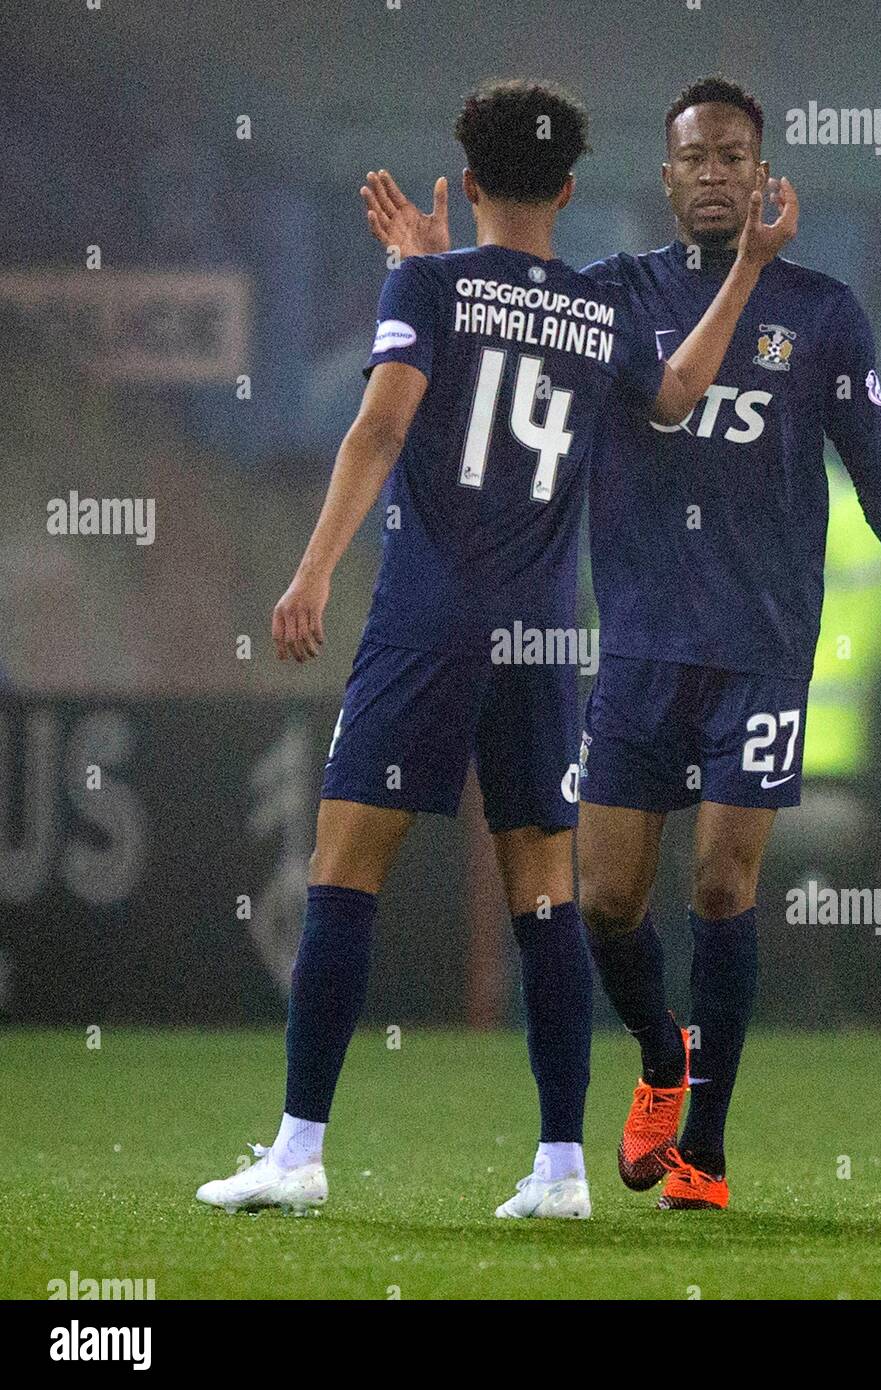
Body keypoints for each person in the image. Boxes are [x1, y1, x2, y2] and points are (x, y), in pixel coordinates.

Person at [196, 78, 797, 1220]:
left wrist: (314, 569)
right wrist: (753, 273)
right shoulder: (596, 310)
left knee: (341, 875)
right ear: (568, 189)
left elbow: (382, 425)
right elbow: (673, 399)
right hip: (539, 639)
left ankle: (299, 1150)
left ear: (466, 182)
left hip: (425, 622)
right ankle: (561, 1168)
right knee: (544, 900)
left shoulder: (426, 281)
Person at [363, 74, 881, 1214]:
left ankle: (706, 1151)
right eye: (696, 156)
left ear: (764, 170)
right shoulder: (609, 300)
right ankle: (657, 1053)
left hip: (762, 644)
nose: (716, 172)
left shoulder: (823, 311)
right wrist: (431, 272)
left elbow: (875, 460)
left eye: (736, 154)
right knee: (605, 904)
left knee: (725, 884)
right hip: (634, 644)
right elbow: (499, 352)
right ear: (666, 173)